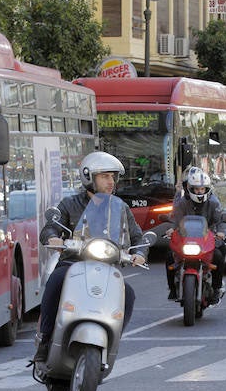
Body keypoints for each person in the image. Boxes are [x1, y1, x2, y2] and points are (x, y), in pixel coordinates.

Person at [33, 151, 147, 363]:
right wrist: (54, 238)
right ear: (89, 177)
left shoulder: (120, 208)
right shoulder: (69, 204)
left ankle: (112, 340)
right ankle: (45, 339)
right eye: (105, 176)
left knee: (128, 294)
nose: (111, 181)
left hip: (107, 266)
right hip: (74, 262)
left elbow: (137, 236)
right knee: (56, 282)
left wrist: (139, 253)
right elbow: (49, 229)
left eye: (113, 177)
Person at [166, 168, 226, 302]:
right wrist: (172, 229)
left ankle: (217, 287)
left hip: (208, 238)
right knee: (170, 255)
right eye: (196, 189)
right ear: (190, 188)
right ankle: (172, 289)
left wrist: (220, 232)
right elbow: (176, 219)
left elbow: (220, 220)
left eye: (202, 189)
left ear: (206, 189)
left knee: (219, 255)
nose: (199, 192)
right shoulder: (182, 203)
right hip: (186, 238)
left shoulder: (214, 203)